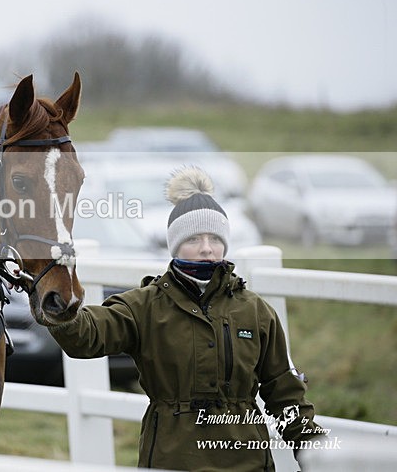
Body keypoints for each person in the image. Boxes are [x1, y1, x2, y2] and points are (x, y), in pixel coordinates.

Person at [48, 167, 325, 471]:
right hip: (172, 460)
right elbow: (87, 336)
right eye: (194, 238)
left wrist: (317, 454)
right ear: (175, 245)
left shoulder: (256, 311)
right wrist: (58, 303)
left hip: (247, 463)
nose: (207, 248)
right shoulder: (144, 306)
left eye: (214, 238)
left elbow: (285, 393)